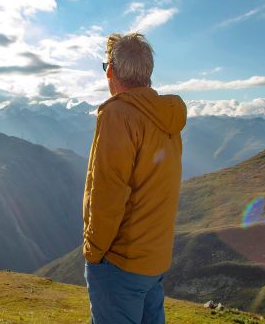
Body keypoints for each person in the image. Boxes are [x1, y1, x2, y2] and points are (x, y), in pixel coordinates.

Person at [83, 33, 187, 324]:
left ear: (111, 71)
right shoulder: (168, 118)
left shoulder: (118, 114)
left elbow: (108, 193)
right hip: (155, 259)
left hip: (121, 262)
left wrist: (93, 251)